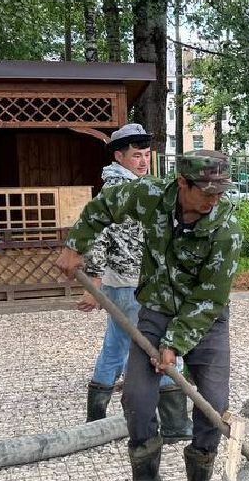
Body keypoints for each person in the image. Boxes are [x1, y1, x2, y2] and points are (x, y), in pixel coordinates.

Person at [57, 150, 242, 481]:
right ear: (182, 183)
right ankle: (146, 479)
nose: (214, 199)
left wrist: (173, 345)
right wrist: (76, 247)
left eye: (220, 191)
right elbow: (104, 206)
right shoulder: (151, 196)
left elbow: (208, 297)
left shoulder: (226, 229)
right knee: (138, 398)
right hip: (156, 309)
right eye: (206, 191)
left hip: (205, 319)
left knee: (213, 403)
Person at [77, 123, 187, 438]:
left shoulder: (131, 186)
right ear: (119, 157)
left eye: (146, 155)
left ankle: (95, 419)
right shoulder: (117, 191)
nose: (143, 161)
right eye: (136, 155)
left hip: (126, 283)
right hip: (132, 282)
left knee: (116, 344)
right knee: (160, 342)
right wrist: (94, 280)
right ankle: (175, 422)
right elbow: (96, 236)